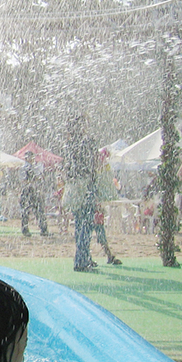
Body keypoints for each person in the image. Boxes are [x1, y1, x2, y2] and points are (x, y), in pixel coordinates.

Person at [63, 114, 104, 271]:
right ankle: (81, 260)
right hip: (86, 185)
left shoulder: (69, 143)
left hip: (74, 186)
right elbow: (94, 163)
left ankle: (84, 256)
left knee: (80, 223)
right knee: (85, 224)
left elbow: (68, 167)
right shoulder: (88, 142)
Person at [18, 151, 49, 237]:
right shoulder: (24, 168)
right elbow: (23, 181)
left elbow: (40, 178)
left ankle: (43, 229)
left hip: (35, 191)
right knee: (25, 212)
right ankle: (25, 230)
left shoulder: (36, 167)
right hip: (27, 190)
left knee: (39, 211)